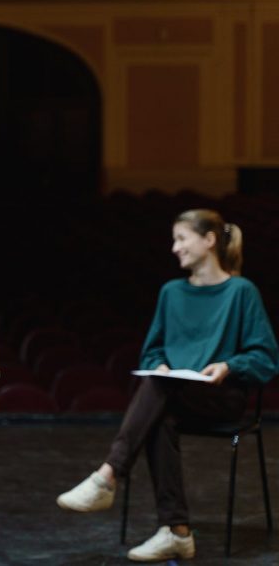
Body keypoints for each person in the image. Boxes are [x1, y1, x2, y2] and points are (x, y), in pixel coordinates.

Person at [56, 209, 278, 562]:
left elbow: (266, 357)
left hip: (222, 396)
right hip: (175, 396)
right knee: (161, 407)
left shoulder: (241, 292)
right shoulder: (171, 292)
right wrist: (157, 364)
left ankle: (107, 476)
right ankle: (176, 531)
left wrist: (229, 365)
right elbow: (152, 352)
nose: (175, 248)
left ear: (209, 240)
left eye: (181, 239)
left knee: (160, 394)